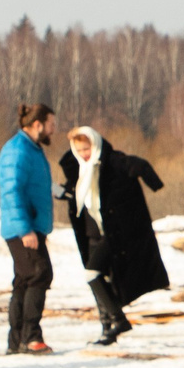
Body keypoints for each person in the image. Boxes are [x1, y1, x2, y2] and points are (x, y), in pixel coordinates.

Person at [59, 126, 168, 347]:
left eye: (87, 148)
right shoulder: (79, 169)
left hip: (112, 232)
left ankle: (119, 320)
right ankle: (107, 328)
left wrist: (152, 181)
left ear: (96, 144)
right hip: (90, 233)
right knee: (101, 279)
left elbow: (138, 165)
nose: (84, 153)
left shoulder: (113, 162)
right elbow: (76, 194)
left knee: (92, 274)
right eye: (79, 149)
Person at [0, 104, 56, 355]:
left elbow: (34, 186)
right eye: (51, 124)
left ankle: (17, 340)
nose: (53, 130)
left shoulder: (31, 149)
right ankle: (30, 337)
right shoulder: (17, 150)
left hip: (31, 225)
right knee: (39, 274)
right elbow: (12, 191)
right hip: (24, 228)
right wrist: (25, 229)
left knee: (24, 280)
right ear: (37, 124)